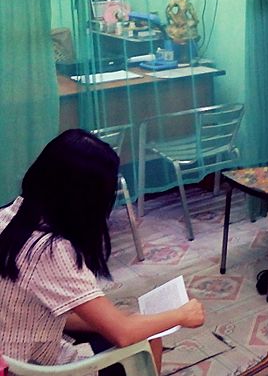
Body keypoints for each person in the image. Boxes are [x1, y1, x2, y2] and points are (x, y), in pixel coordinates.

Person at [0, 129, 205, 373]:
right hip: (28, 367)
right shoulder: (52, 251)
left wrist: (116, 320)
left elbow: (42, 307)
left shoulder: (10, 214)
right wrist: (182, 315)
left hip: (13, 346)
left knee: (127, 322)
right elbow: (124, 335)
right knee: (148, 341)